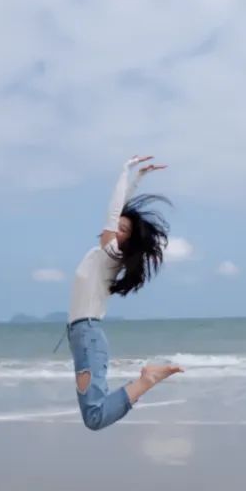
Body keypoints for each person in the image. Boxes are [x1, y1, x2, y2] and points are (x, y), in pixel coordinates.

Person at [68, 155, 183, 430]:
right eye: (116, 226)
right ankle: (146, 380)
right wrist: (138, 179)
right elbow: (118, 212)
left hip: (88, 336)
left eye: (122, 230)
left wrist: (124, 171)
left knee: (95, 417)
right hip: (81, 336)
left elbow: (113, 214)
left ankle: (147, 380)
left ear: (125, 242)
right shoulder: (99, 255)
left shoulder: (112, 255)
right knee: (93, 416)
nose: (114, 229)